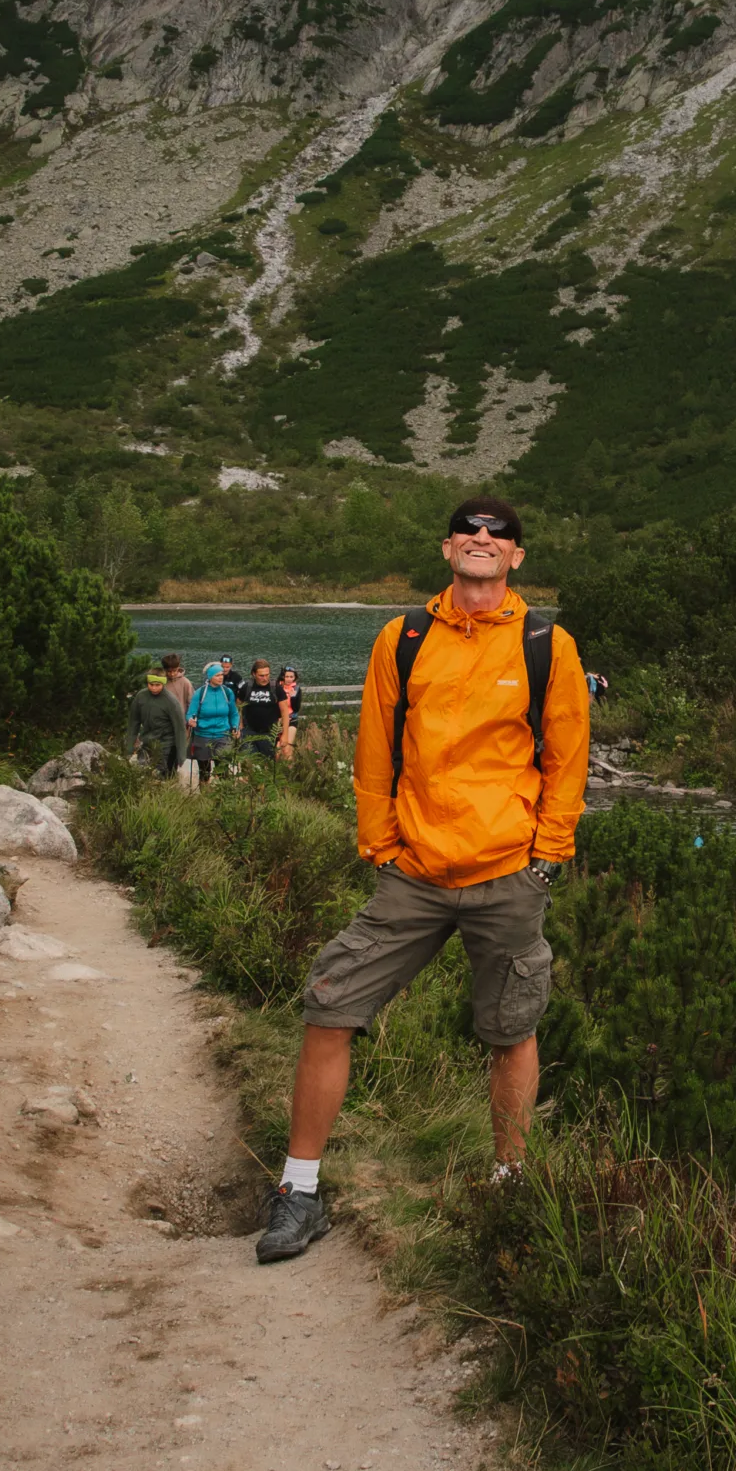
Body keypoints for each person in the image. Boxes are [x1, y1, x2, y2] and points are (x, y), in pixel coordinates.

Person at [256, 496, 590, 1266]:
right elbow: (375, 746)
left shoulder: (548, 645)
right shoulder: (402, 638)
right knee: (328, 1004)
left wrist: (546, 856)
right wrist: (379, 843)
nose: (482, 539)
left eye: (498, 534)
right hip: (412, 872)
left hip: (509, 872)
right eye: (469, 530)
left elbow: (565, 759)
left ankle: (510, 1188)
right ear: (448, 549)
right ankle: (297, 1193)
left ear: (516, 558)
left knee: (510, 1031)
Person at [125, 667, 189, 773]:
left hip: (167, 745)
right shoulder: (141, 696)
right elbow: (133, 722)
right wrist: (129, 747)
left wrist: (181, 754)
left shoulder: (171, 701)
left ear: (163, 684)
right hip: (147, 743)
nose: (154, 688)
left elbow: (180, 728)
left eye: (157, 685)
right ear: (148, 683)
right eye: (151, 685)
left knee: (164, 776)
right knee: (144, 774)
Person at [187, 661, 239, 785]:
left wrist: (235, 727)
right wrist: (190, 720)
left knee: (223, 771)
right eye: (217, 675)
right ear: (210, 677)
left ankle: (224, 798)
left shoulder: (227, 692)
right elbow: (190, 713)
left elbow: (234, 713)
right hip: (203, 736)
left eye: (222, 675)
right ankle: (205, 798)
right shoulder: (200, 693)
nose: (221, 677)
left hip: (223, 735)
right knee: (204, 771)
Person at [239, 659, 283, 759]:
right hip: (249, 731)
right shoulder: (247, 688)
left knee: (267, 762)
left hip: (269, 732)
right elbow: (238, 707)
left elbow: (284, 711)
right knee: (249, 762)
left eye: (267, 675)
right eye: (261, 675)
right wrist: (240, 725)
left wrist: (284, 734)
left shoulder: (275, 688)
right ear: (254, 674)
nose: (265, 678)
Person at [276, 665, 303, 760]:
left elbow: (296, 708)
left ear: (295, 677)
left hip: (292, 718)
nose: (289, 679)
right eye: (287, 676)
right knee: (277, 749)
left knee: (287, 747)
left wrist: (293, 698)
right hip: (279, 720)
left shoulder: (296, 689)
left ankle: (290, 770)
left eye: (291, 677)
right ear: (283, 676)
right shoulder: (277, 687)